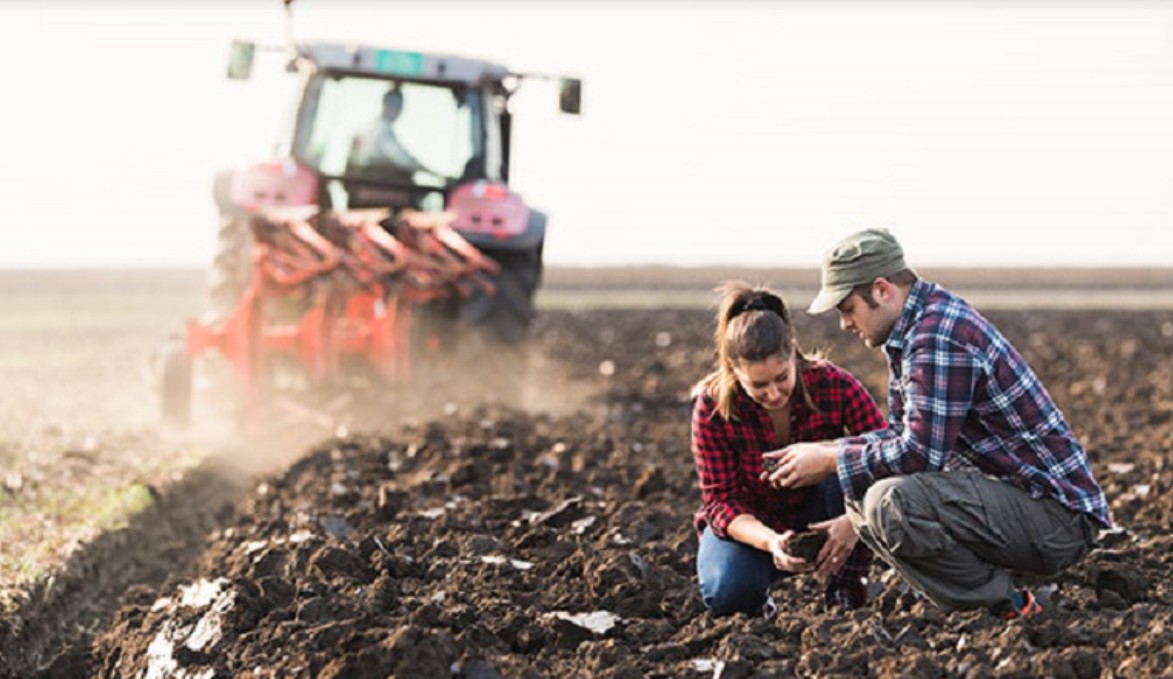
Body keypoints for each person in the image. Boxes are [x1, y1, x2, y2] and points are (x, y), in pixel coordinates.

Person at [769, 228, 1112, 619]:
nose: (845, 324)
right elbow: (905, 435)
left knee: (889, 503)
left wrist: (831, 461)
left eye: (847, 308)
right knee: (866, 491)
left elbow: (918, 455)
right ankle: (998, 586)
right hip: (1020, 503)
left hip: (1057, 520)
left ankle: (1011, 604)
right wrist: (829, 451)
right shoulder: (914, 328)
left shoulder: (937, 336)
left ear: (881, 290)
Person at [691, 281, 887, 617]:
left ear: (793, 353)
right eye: (758, 385)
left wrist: (854, 522)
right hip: (753, 524)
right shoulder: (713, 408)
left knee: (851, 464)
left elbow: (888, 452)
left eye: (782, 377)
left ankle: (845, 592)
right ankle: (758, 604)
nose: (774, 393)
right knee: (728, 593)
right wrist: (770, 542)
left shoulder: (834, 385)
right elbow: (720, 501)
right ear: (734, 371)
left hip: (824, 511)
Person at [350, 88, 434, 181]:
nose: (398, 110)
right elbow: (402, 159)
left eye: (399, 106)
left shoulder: (374, 127)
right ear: (385, 105)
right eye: (394, 105)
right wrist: (430, 172)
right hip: (375, 180)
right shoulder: (381, 131)